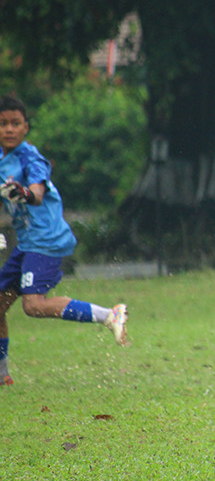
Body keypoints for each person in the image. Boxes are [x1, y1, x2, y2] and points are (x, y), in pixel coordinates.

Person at [0, 95, 129, 386]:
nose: (9, 129)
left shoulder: (30, 158)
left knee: (33, 306)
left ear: (26, 128)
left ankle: (110, 315)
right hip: (28, 242)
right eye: (3, 123)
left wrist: (25, 193)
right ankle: (1, 376)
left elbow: (36, 193)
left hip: (46, 240)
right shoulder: (1, 159)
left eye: (15, 124)